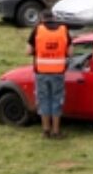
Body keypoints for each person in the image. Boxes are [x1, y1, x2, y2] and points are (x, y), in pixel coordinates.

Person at [28, 9, 71, 139]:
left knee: (43, 100)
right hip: (58, 72)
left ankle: (45, 130)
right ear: (54, 18)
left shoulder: (37, 29)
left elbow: (28, 50)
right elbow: (70, 52)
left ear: (41, 18)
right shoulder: (63, 30)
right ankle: (56, 131)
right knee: (56, 100)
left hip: (41, 72)